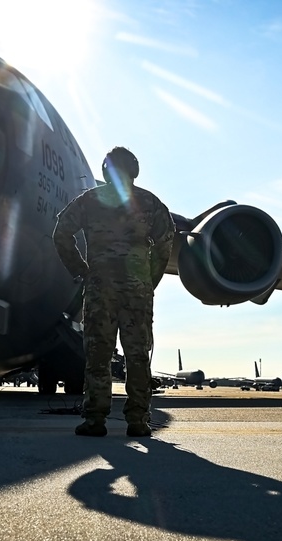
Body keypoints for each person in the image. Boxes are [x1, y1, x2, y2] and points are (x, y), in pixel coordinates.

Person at [53, 147, 174, 437]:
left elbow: (61, 232)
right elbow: (166, 242)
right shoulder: (150, 203)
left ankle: (95, 419)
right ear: (134, 170)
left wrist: (81, 270)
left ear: (106, 171)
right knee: (137, 356)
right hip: (137, 292)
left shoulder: (90, 201)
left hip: (100, 290)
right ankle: (137, 421)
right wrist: (149, 279)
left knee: (98, 356)